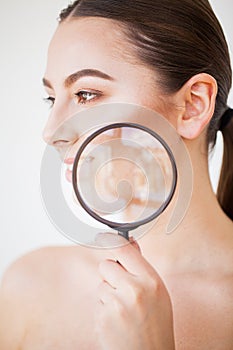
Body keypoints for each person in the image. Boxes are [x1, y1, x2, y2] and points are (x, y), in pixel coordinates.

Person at [0, 0, 233, 348]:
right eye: (52, 99)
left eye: (86, 94)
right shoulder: (29, 286)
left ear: (192, 105)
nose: (51, 133)